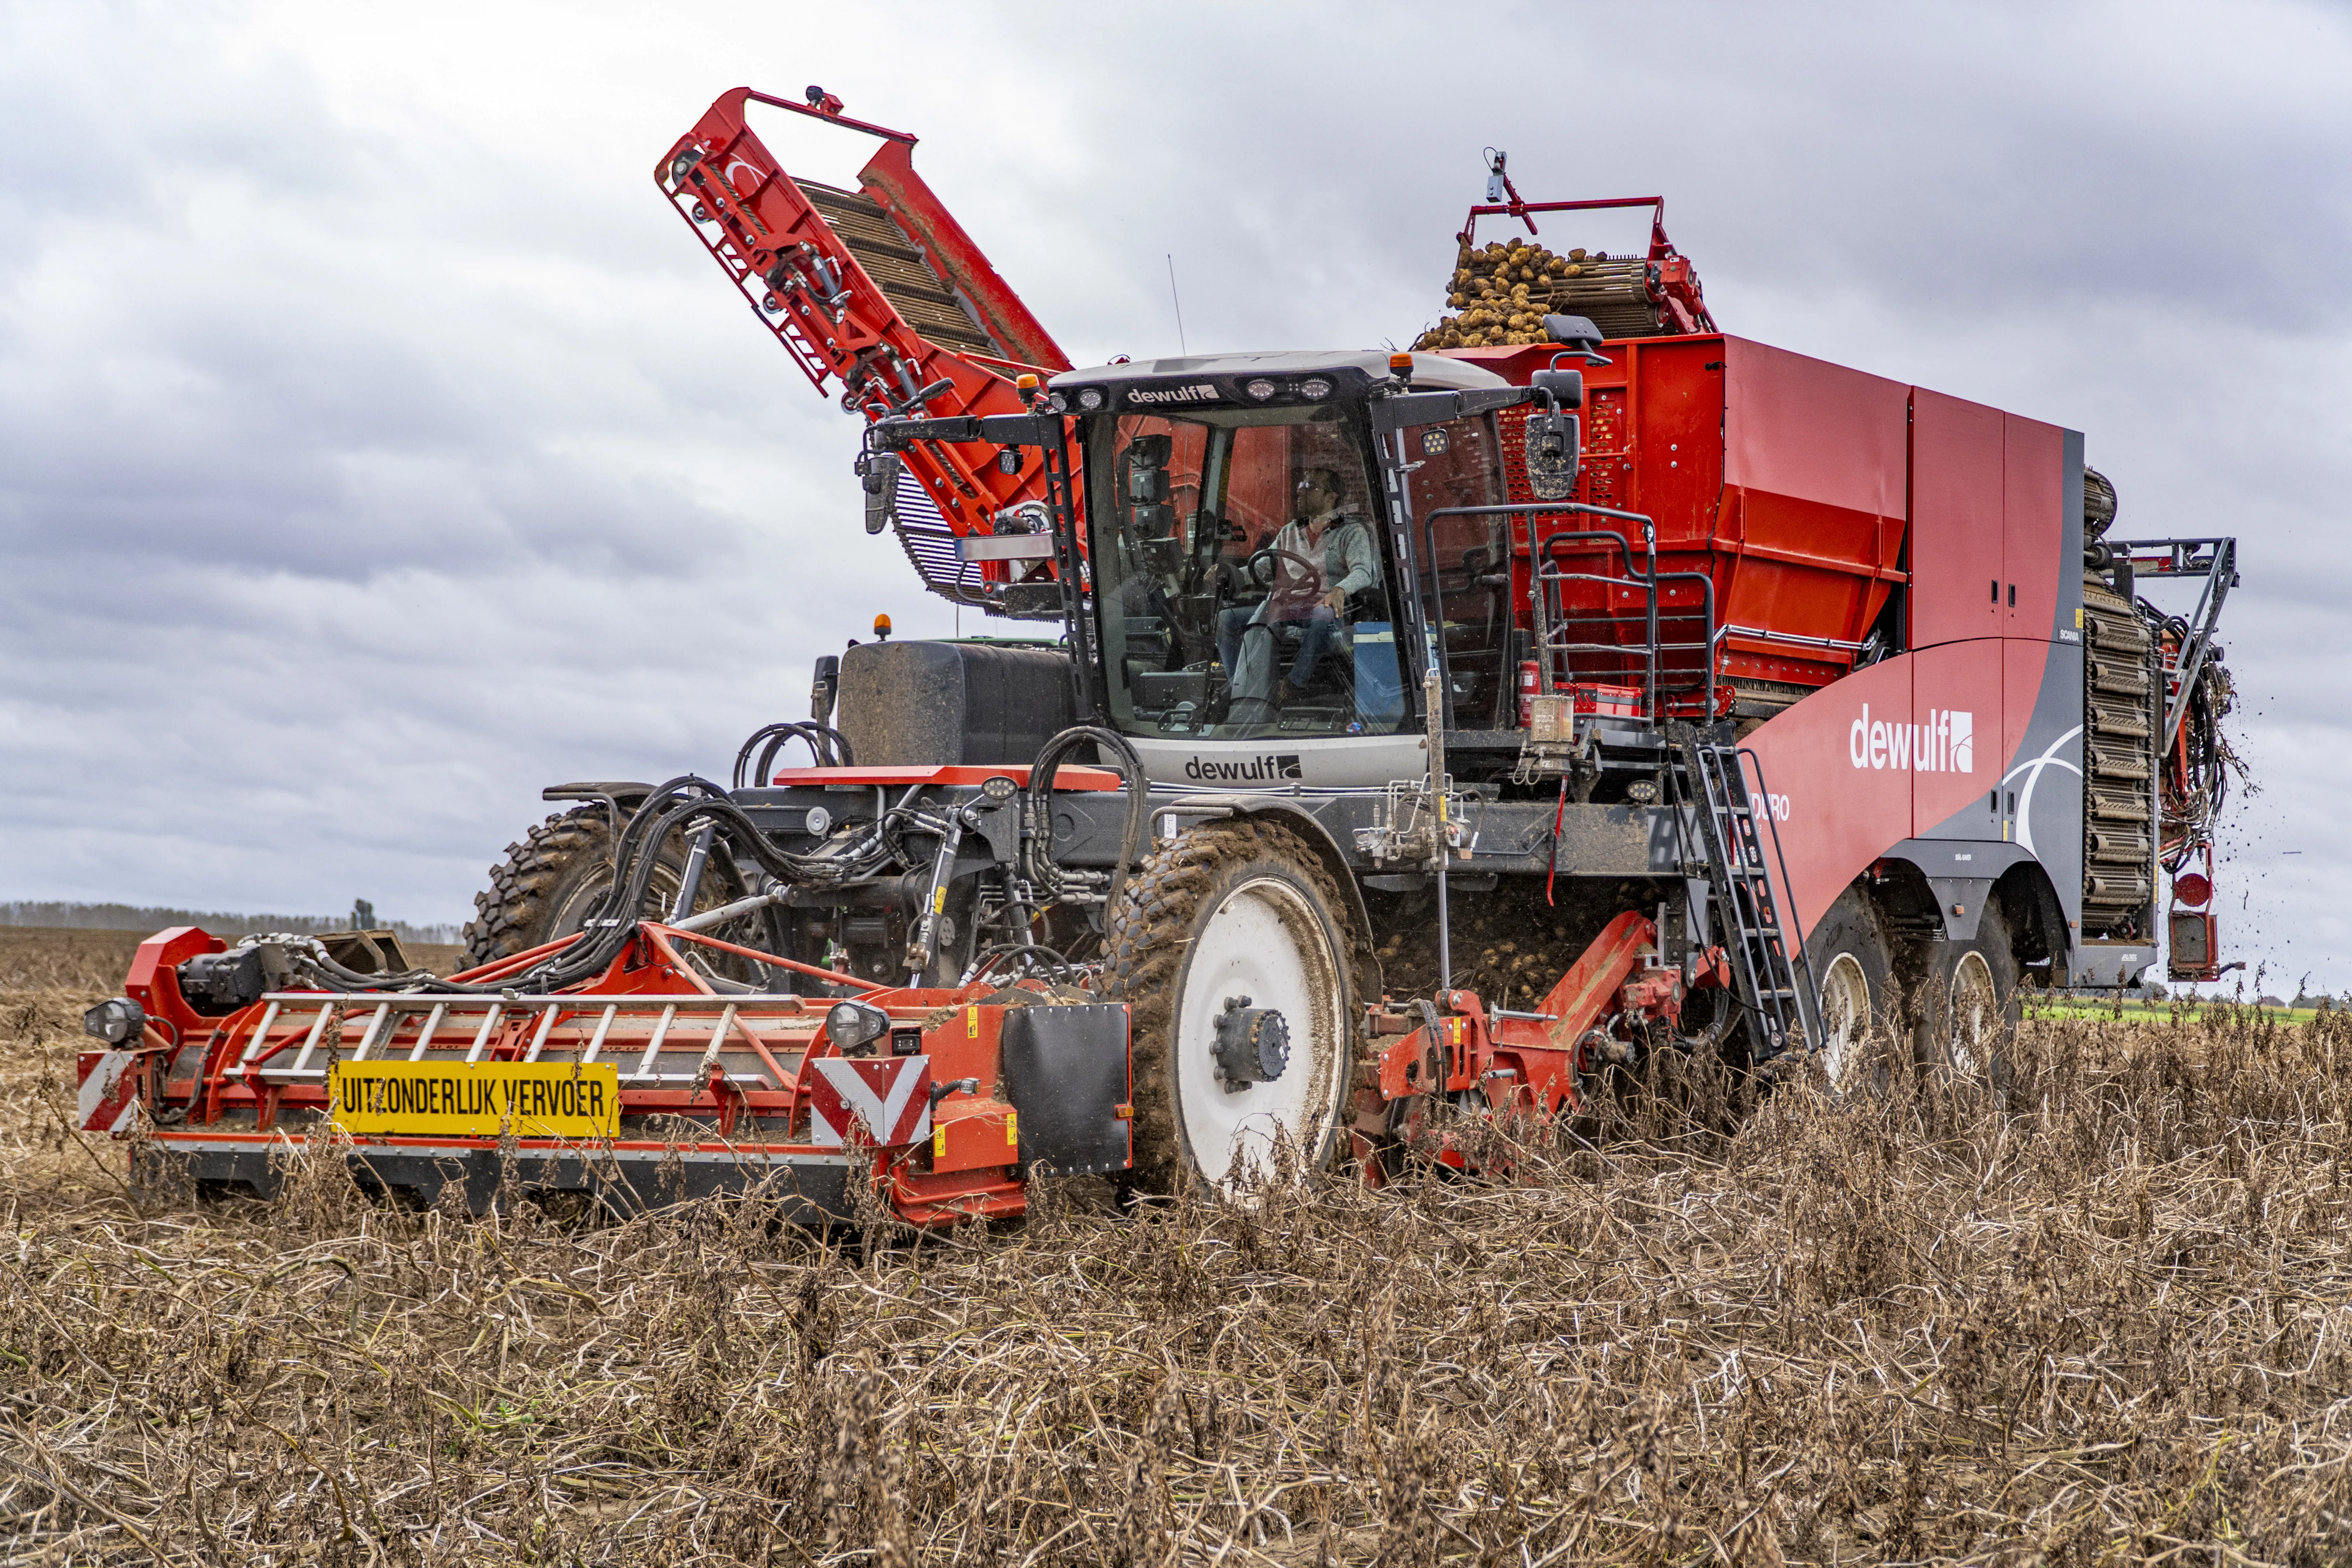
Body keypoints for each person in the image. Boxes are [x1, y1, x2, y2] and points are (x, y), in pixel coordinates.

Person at [1216, 468, 1382, 710]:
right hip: (1290, 607)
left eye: (1310, 487)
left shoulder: (1351, 532)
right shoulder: (1289, 532)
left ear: (1331, 497)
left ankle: (1294, 685)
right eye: (1301, 485)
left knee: (1323, 614)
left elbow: (1363, 572)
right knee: (1225, 620)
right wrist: (1227, 574)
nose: (1301, 491)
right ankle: (1239, 687)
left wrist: (1339, 590)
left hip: (1330, 607)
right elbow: (1263, 568)